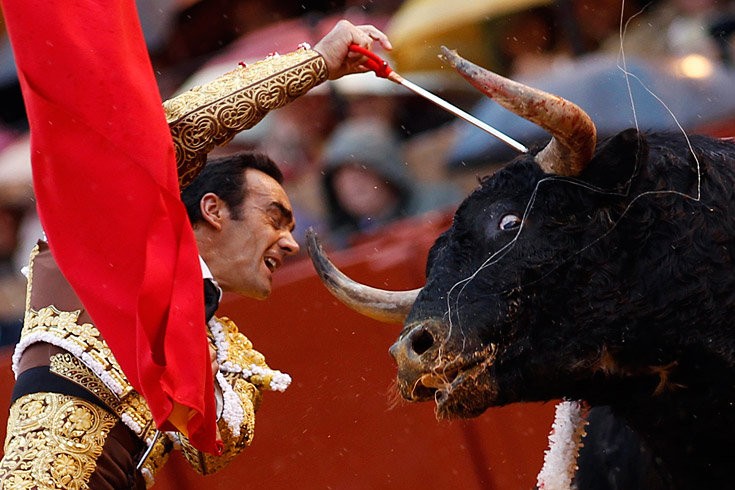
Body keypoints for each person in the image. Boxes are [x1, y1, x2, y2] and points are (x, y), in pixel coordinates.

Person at [0, 6, 392, 488]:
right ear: (213, 209)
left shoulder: (228, 348)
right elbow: (174, 129)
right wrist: (316, 64)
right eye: (274, 218)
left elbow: (212, 448)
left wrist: (198, 337)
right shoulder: (100, 245)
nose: (290, 242)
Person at [320, 117, 462, 248]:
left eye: (361, 170)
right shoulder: (341, 244)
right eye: (342, 176)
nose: (354, 183)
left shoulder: (440, 205)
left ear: (387, 171)